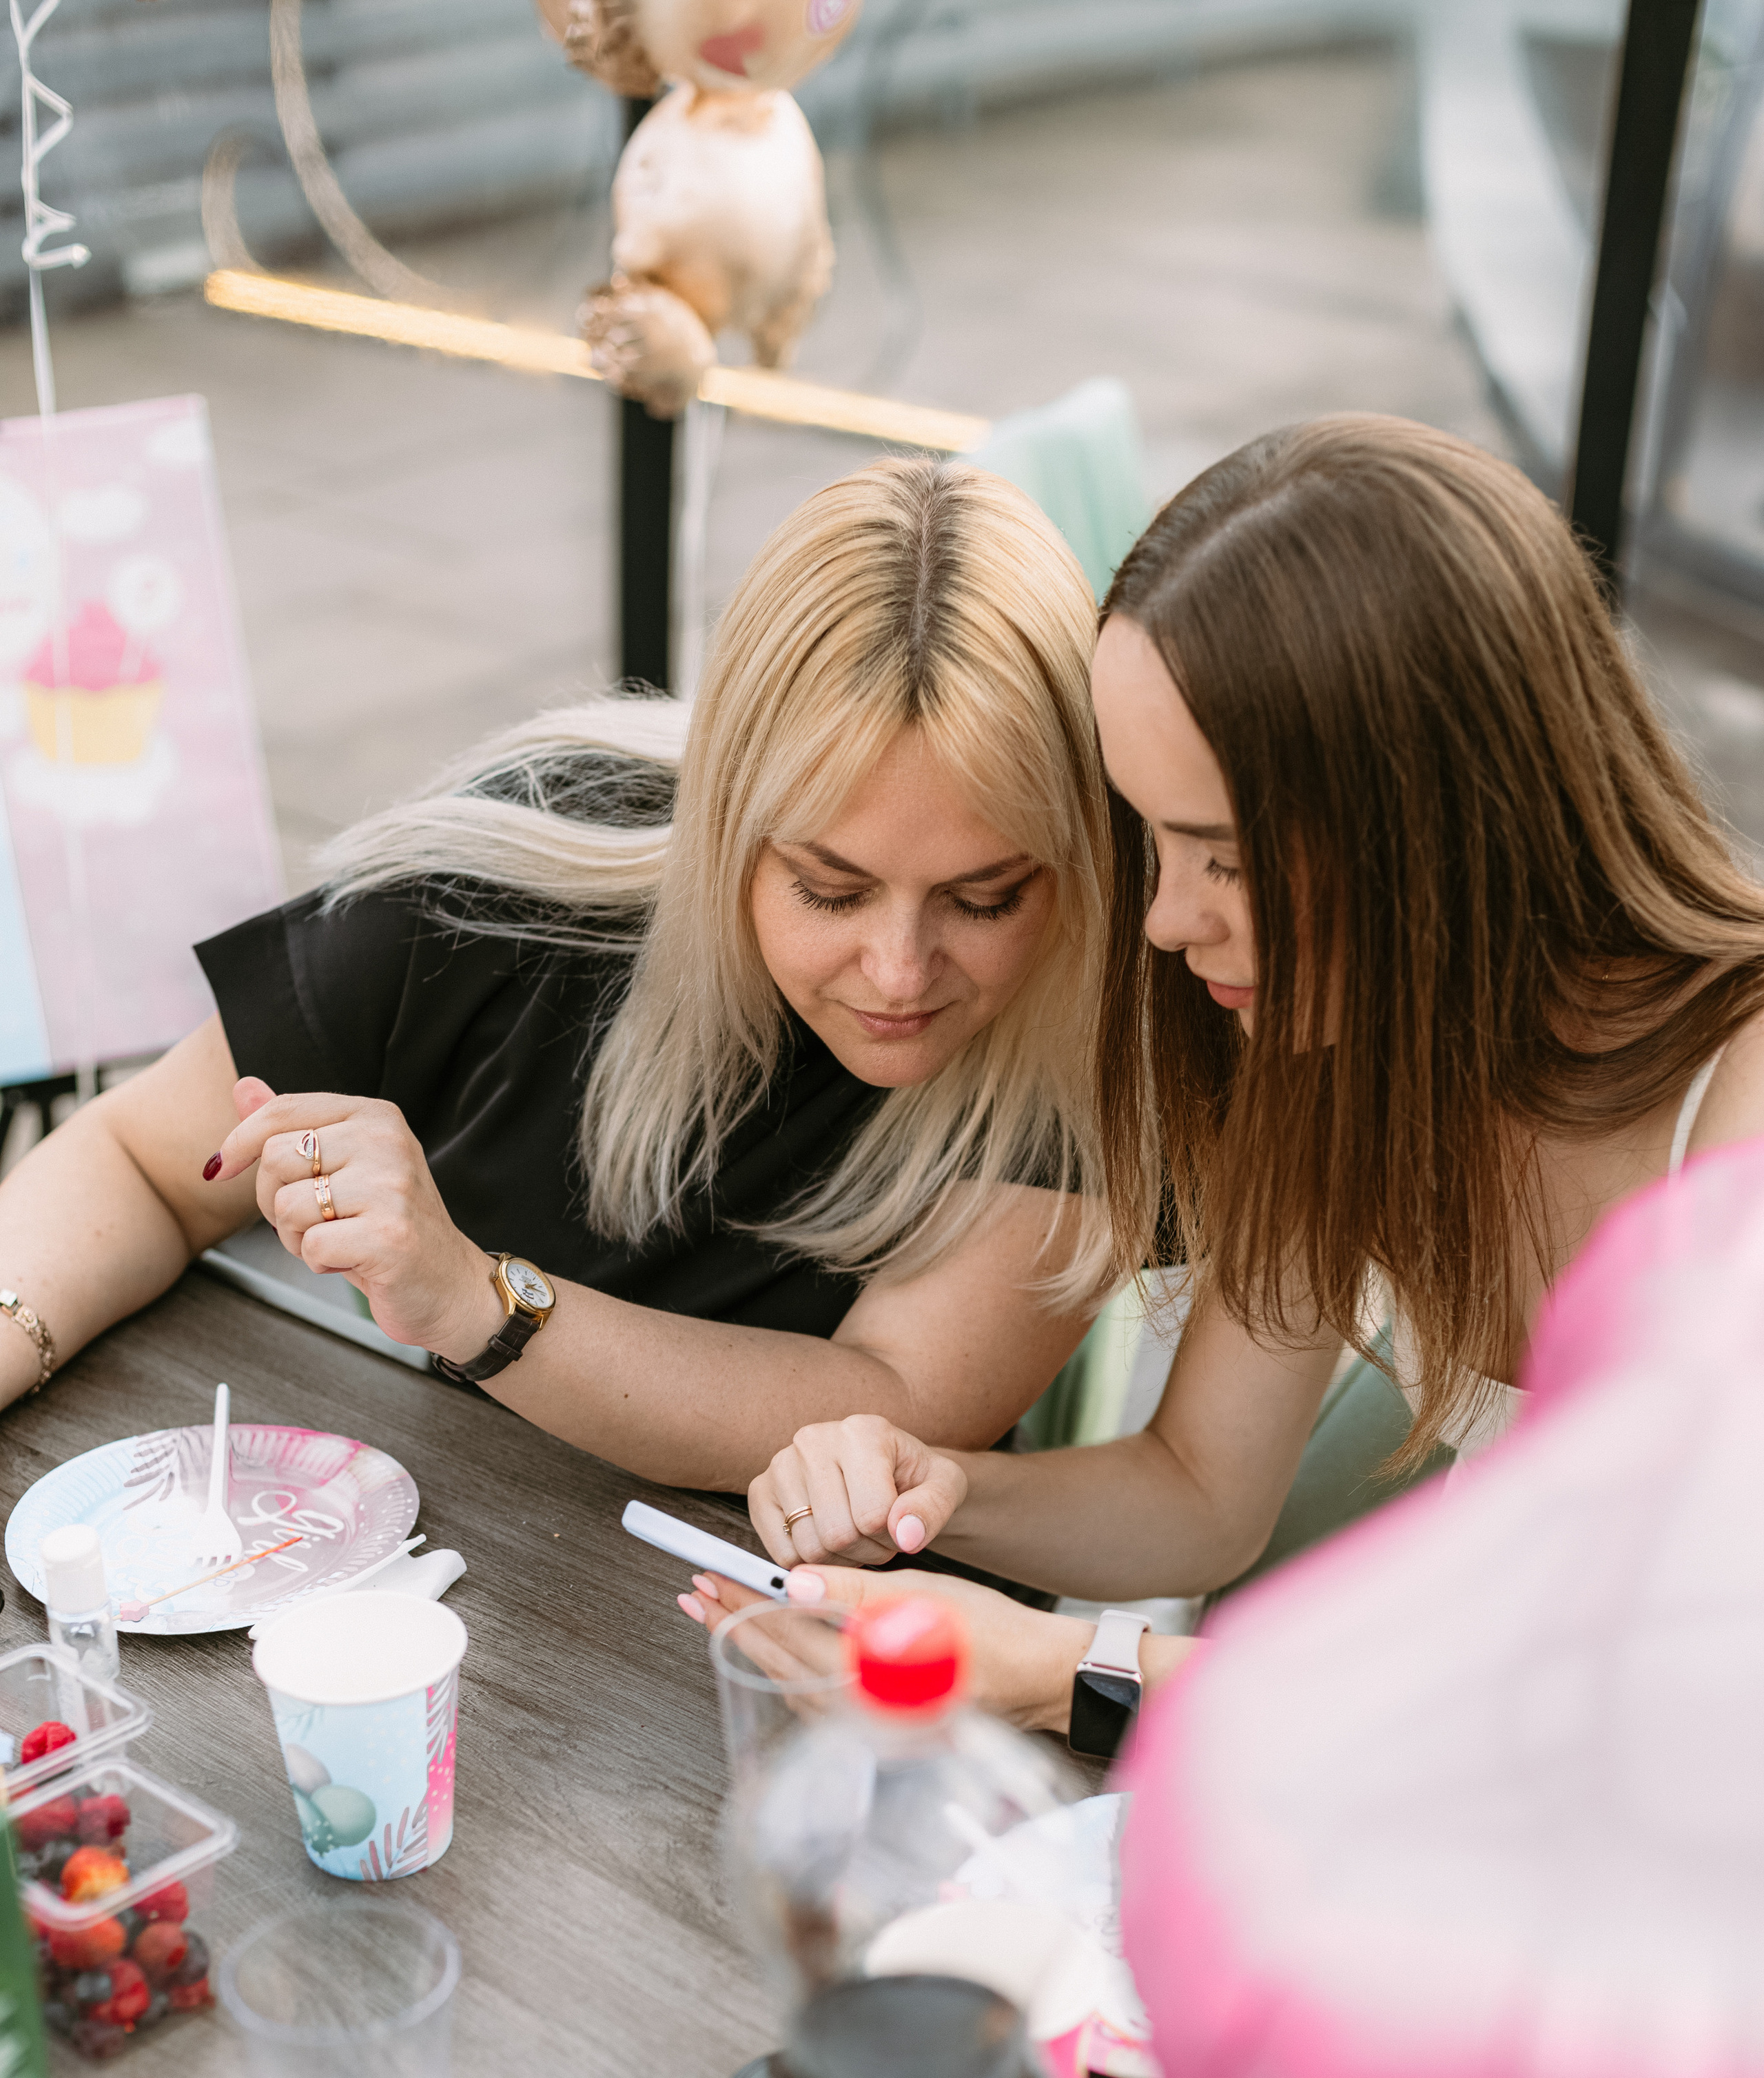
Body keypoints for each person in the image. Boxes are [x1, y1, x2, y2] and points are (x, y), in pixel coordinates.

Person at [713, 416, 1764, 1729]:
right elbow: (1204, 1493)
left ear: (1440, 818)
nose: (1164, 920)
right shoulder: (1344, 1042)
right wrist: (937, 1492)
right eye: (1152, 842)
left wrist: (1055, 1672)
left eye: (1225, 856)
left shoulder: (1738, 1120)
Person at [0, 460, 1122, 1488]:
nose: (900, 971)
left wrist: (476, 1299)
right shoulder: (517, 876)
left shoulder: (1107, 999)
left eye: (988, 898)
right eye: (831, 888)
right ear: (722, 818)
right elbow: (141, 1163)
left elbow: (902, 1404)